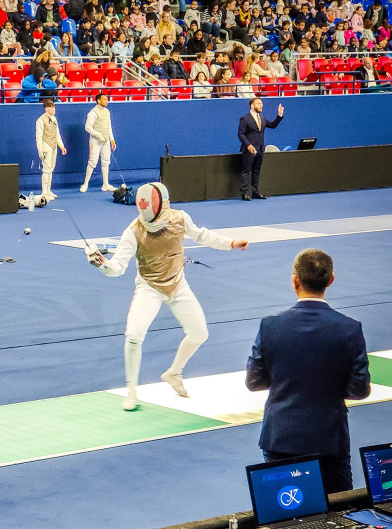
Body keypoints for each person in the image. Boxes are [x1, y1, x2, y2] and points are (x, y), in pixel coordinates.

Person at [86, 182, 249, 410]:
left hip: (177, 284)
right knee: (134, 334)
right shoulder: (133, 231)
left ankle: (173, 372)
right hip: (149, 287)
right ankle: (132, 390)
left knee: (199, 333)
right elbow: (118, 268)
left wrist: (230, 243)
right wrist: (102, 264)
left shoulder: (180, 218)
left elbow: (202, 236)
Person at [245, 249, 370, 494]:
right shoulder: (350, 329)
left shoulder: (270, 326)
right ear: (331, 279)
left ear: (295, 281)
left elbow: (254, 381)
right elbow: (359, 390)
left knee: (283, 513)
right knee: (340, 512)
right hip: (329, 438)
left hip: (281, 436)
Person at [238, 97, 284, 201]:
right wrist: (248, 145)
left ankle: (255, 192)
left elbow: (272, 125)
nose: (261, 105)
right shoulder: (245, 119)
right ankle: (244, 193)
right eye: (258, 103)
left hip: (260, 149)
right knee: (247, 171)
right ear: (252, 105)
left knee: (256, 171)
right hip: (249, 149)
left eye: (261, 104)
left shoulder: (262, 118)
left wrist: (279, 115)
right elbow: (241, 134)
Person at [80, 93, 116, 193]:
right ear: (98, 101)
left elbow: (109, 126)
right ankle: (85, 184)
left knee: (106, 161)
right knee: (92, 162)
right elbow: (87, 127)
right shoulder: (93, 113)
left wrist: (112, 140)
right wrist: (98, 135)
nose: (106, 101)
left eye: (106, 99)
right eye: (104, 99)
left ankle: (105, 184)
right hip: (95, 140)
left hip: (106, 140)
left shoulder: (107, 112)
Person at [35, 98, 66, 202]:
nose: (53, 109)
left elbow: (57, 133)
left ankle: (48, 190)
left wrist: (61, 146)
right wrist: (40, 150)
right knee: (46, 169)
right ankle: (44, 192)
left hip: (53, 146)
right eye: (51, 107)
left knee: (51, 168)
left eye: (54, 107)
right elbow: (38, 136)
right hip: (46, 145)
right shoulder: (40, 120)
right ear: (46, 108)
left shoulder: (54, 119)